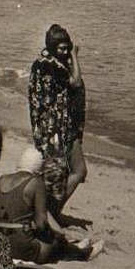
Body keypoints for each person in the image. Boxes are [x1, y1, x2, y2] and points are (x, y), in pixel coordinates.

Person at [0, 147, 96, 263]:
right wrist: (55, 236)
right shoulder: (35, 182)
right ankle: (83, 254)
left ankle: (76, 247)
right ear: (40, 170)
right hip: (20, 246)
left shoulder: (1, 179)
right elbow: (42, 223)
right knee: (57, 245)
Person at [27, 24, 86, 213]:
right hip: (58, 129)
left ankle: (49, 211)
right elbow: (76, 82)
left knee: (57, 175)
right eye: (62, 48)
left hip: (47, 128)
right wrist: (75, 56)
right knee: (74, 172)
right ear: (52, 48)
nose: (65, 51)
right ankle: (50, 213)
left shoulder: (40, 64)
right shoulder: (53, 67)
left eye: (67, 47)